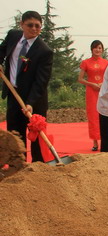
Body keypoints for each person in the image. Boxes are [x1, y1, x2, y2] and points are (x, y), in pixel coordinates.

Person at [0, 10, 53, 162]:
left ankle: (37, 167)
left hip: (34, 100)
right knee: (15, 134)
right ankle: (18, 165)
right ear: (22, 24)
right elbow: (2, 50)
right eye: (30, 25)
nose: (34, 29)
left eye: (38, 26)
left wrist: (30, 103)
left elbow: (41, 81)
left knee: (35, 136)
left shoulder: (44, 51)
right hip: (14, 94)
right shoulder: (13, 36)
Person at [78, 40, 108, 151]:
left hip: (103, 91)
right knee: (93, 115)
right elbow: (80, 79)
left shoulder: (106, 62)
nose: (98, 50)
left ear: (102, 50)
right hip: (91, 92)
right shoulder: (85, 62)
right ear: (92, 49)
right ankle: (95, 142)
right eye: (95, 48)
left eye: (100, 48)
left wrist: (102, 84)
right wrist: (91, 84)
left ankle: (105, 140)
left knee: (104, 114)